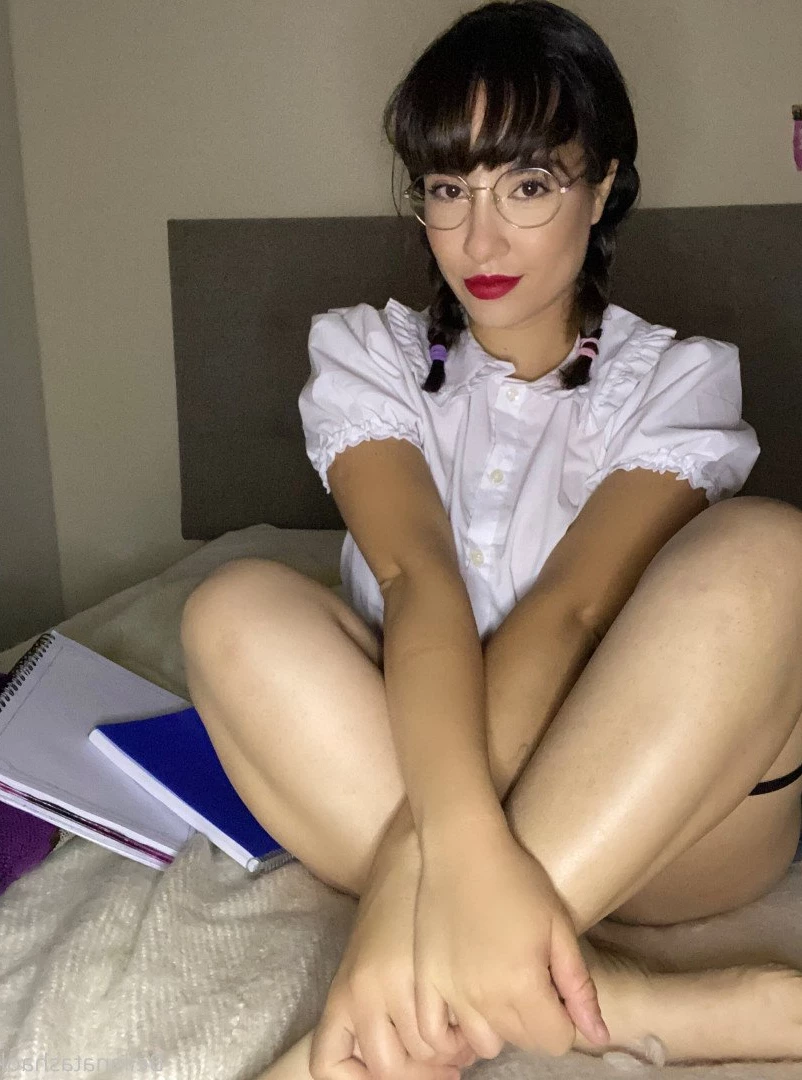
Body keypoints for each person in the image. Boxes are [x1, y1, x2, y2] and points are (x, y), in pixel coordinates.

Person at [180, 2, 802, 1077]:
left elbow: (572, 613)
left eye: (528, 185)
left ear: (602, 187)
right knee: (229, 609)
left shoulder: (676, 381)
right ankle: (614, 1001)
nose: (479, 241)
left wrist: (411, 885)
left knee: (774, 553)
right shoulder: (369, 359)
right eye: (446, 189)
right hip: (439, 784)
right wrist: (463, 844)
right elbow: (417, 581)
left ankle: (407, 989)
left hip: (665, 827)